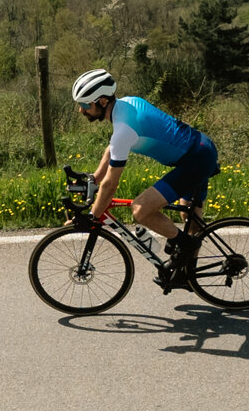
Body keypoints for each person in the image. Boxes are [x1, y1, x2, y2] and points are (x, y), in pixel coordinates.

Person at [71, 67, 220, 288]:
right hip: (199, 148)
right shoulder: (126, 104)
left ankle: (185, 247)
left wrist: (93, 216)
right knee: (191, 223)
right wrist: (94, 176)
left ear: (102, 102)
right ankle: (187, 274)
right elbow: (112, 149)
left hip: (196, 159)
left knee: (141, 209)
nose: (81, 111)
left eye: (85, 105)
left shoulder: (124, 128)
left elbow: (111, 184)